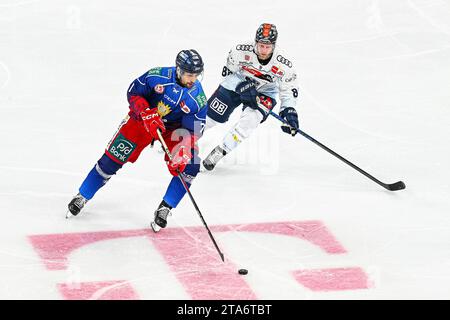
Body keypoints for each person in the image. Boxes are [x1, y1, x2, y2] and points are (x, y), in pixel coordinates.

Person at [67, 49, 208, 232]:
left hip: (172, 129)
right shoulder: (157, 76)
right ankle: (83, 195)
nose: (193, 80)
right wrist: (145, 111)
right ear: (179, 70)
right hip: (142, 120)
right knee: (112, 159)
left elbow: (193, 129)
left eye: (196, 75)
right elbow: (133, 92)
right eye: (190, 75)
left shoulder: (198, 98)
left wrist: (183, 149)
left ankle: (166, 206)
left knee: (191, 164)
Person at [202, 23, 300, 171]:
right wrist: (240, 85)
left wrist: (288, 110)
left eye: (268, 47)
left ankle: (220, 151)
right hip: (237, 84)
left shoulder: (284, 64)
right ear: (255, 42)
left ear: (274, 45)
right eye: (261, 45)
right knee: (210, 116)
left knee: (249, 122)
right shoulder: (239, 50)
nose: (264, 50)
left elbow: (289, 89)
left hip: (265, 92)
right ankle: (180, 140)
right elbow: (227, 74)